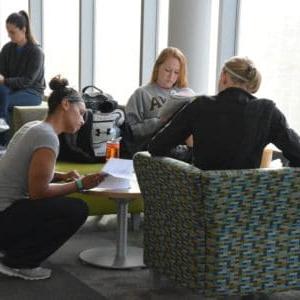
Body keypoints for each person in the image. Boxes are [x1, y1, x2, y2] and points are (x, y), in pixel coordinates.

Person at [0, 75, 106, 280]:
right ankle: (19, 262)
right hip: (4, 217)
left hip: (4, 213)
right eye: (81, 113)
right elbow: (38, 193)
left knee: (57, 205)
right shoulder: (46, 136)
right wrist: (80, 184)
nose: (83, 121)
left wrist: (61, 175)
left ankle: (10, 248)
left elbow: (25, 169)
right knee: (76, 209)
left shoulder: (33, 127)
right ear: (65, 104)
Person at [149, 56, 300, 170]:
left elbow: (156, 146)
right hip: (248, 206)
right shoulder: (268, 111)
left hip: (200, 203)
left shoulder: (200, 105)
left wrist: (189, 154)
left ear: (224, 76)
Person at [124, 47, 195, 157]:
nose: (171, 77)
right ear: (158, 68)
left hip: (182, 145)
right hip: (153, 147)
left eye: (176, 72)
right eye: (167, 70)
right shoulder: (142, 93)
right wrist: (160, 121)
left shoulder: (185, 94)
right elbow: (131, 132)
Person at [0, 10, 45, 143]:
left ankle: (4, 143)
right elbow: (2, 71)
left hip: (32, 92)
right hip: (12, 88)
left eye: (12, 32)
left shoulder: (36, 52)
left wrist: (4, 80)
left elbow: (28, 81)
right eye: (8, 31)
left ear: (23, 29)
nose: (9, 35)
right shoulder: (7, 49)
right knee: (3, 95)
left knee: (4, 99)